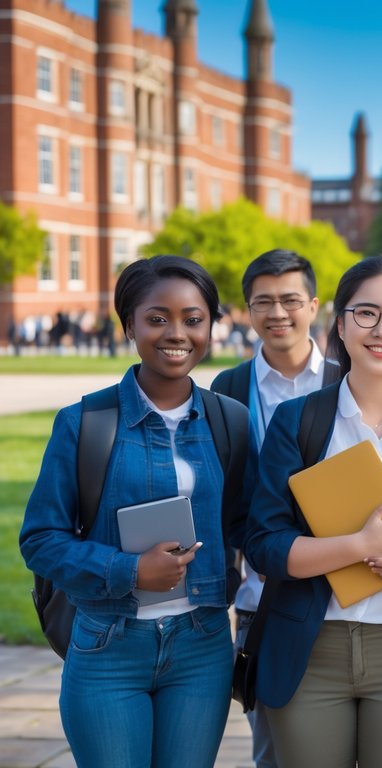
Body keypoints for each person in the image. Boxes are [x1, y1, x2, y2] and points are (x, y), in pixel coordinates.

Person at [20, 255, 245, 767]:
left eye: (194, 319)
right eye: (157, 317)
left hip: (202, 646)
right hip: (108, 647)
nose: (177, 333)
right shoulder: (85, 422)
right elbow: (40, 539)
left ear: (211, 325)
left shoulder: (230, 422)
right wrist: (130, 569)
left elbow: (246, 526)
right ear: (129, 326)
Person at [244, 256, 382, 768]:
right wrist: (359, 546)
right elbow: (264, 544)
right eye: (366, 314)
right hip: (311, 647)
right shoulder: (299, 420)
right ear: (339, 322)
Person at [210, 248, 338, 768]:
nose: (278, 314)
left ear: (314, 304)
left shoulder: (345, 377)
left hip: (343, 585)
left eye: (290, 300)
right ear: (247, 309)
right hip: (261, 592)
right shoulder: (229, 389)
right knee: (273, 746)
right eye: (263, 302)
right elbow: (225, 492)